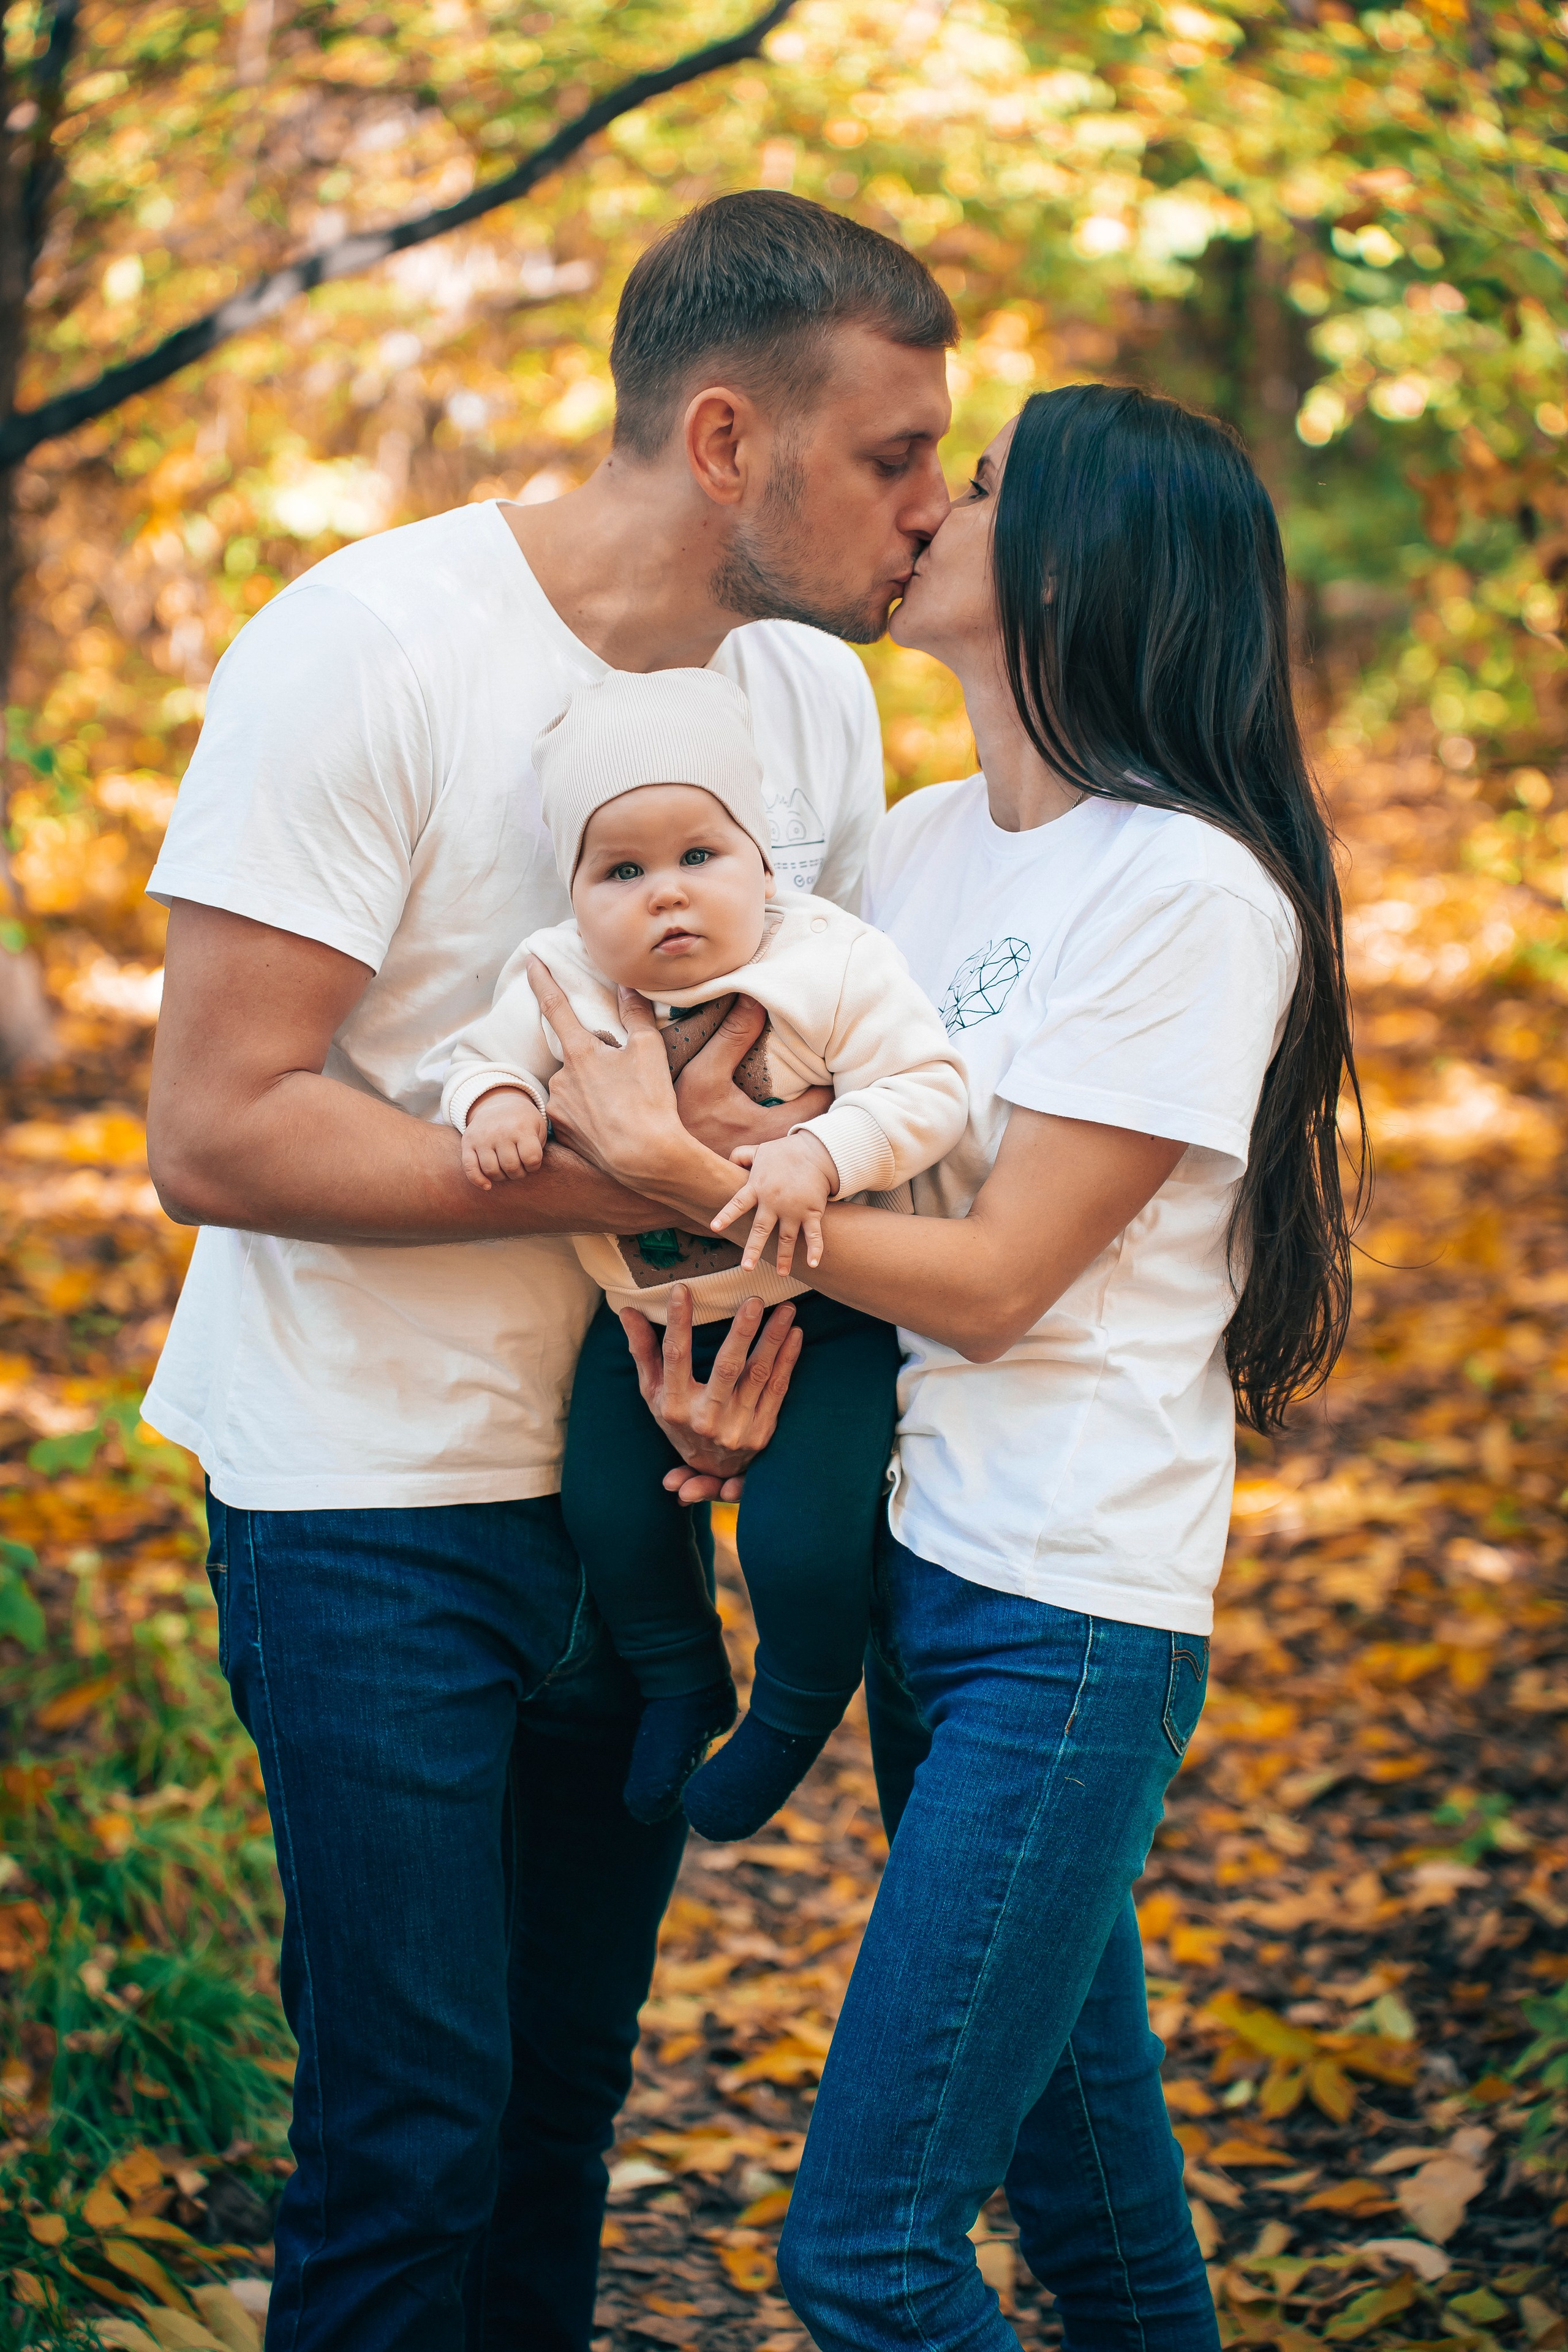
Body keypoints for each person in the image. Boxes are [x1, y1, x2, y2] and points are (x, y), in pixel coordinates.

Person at [141, 190, 956, 2352]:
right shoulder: (367, 649)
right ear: (723, 445)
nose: (932, 513)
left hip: (636, 1487)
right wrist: (620, 1176)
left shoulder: (813, 702)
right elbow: (216, 1124)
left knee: (558, 2112)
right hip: (360, 1497)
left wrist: (743, 1348)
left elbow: (784, 1104)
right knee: (412, 2125)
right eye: (892, 459)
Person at [527, 382, 1363, 2352]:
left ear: (1071, 561)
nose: (925, 512)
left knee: (873, 2259)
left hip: (1065, 1613)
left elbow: (993, 1280)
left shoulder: (1189, 892)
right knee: (1098, 2220)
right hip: (924, 1567)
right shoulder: (913, 852)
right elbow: (810, 1159)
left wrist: (677, 1171)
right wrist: (731, 1366)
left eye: (973, 487)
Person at [442, 663, 965, 1837]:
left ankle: (792, 1706)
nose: (665, 896)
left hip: (819, 1311)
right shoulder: (558, 976)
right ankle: (682, 1680)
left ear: (761, 859)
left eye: (699, 856)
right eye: (621, 871)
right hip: (646, 1318)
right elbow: (477, 1061)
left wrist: (825, 1152)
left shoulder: (829, 959)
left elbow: (932, 1090)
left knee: (802, 1538)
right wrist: (497, 1110)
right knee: (608, 1511)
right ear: (573, 893)